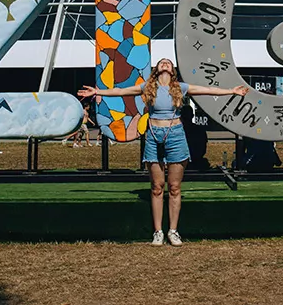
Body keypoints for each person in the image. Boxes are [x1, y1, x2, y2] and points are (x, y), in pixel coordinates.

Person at [79, 58, 248, 246]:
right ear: (156, 69)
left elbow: (207, 90)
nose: (165, 63)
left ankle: (173, 231)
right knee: (157, 186)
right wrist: (97, 91)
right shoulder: (147, 87)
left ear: (173, 69)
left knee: (174, 187)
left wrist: (231, 91)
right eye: (162, 62)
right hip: (153, 135)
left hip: (175, 135)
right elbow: (120, 91)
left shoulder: (180, 87)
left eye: (168, 62)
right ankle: (158, 232)